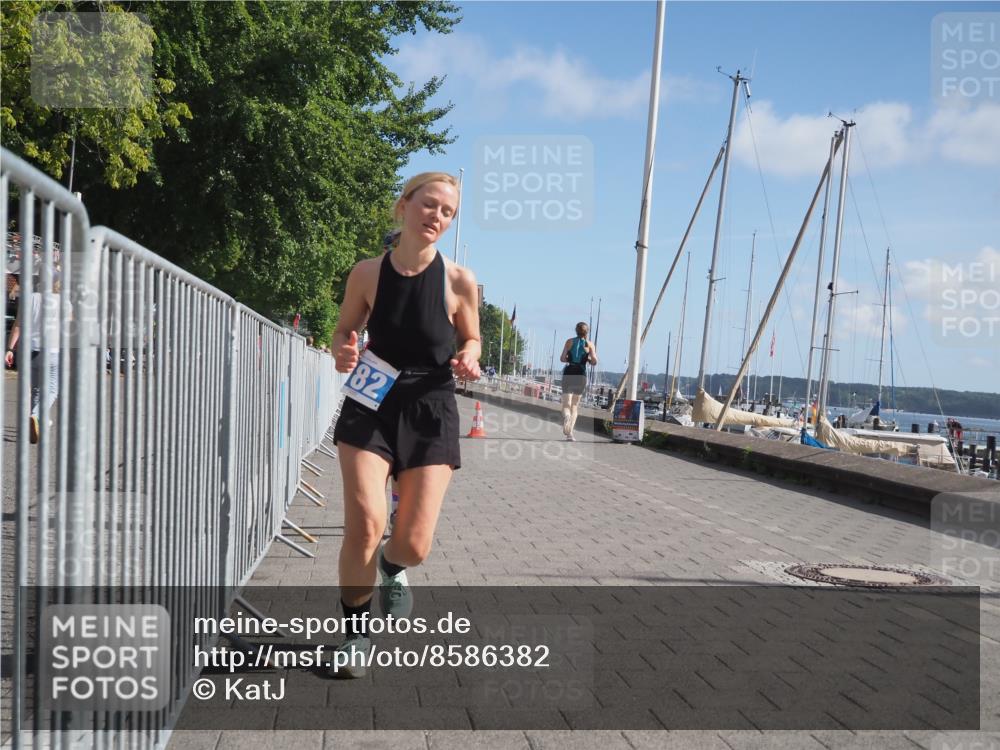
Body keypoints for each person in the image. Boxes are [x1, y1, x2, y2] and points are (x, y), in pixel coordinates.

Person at [329, 172, 481, 677]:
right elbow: (344, 329)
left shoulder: (460, 281)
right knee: (368, 521)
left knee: (414, 544)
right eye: (429, 204)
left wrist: (470, 357)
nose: (435, 216)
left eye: (447, 212)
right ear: (405, 205)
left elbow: (472, 339)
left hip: (431, 404)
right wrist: (343, 348)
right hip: (372, 401)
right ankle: (355, 635)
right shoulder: (367, 273)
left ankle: (392, 569)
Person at [5, 275, 62, 444]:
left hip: (29, 350)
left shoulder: (29, 298)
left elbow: (18, 325)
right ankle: (36, 415)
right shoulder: (62, 300)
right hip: (52, 350)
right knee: (52, 389)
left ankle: (37, 424)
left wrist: (9, 349)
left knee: (36, 389)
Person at [559, 322, 597, 441]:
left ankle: (567, 417)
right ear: (587, 332)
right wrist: (589, 359)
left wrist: (569, 358)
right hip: (581, 374)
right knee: (575, 405)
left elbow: (562, 358)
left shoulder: (569, 341)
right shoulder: (590, 344)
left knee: (566, 404)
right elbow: (594, 361)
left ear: (576, 330)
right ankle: (570, 434)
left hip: (569, 371)